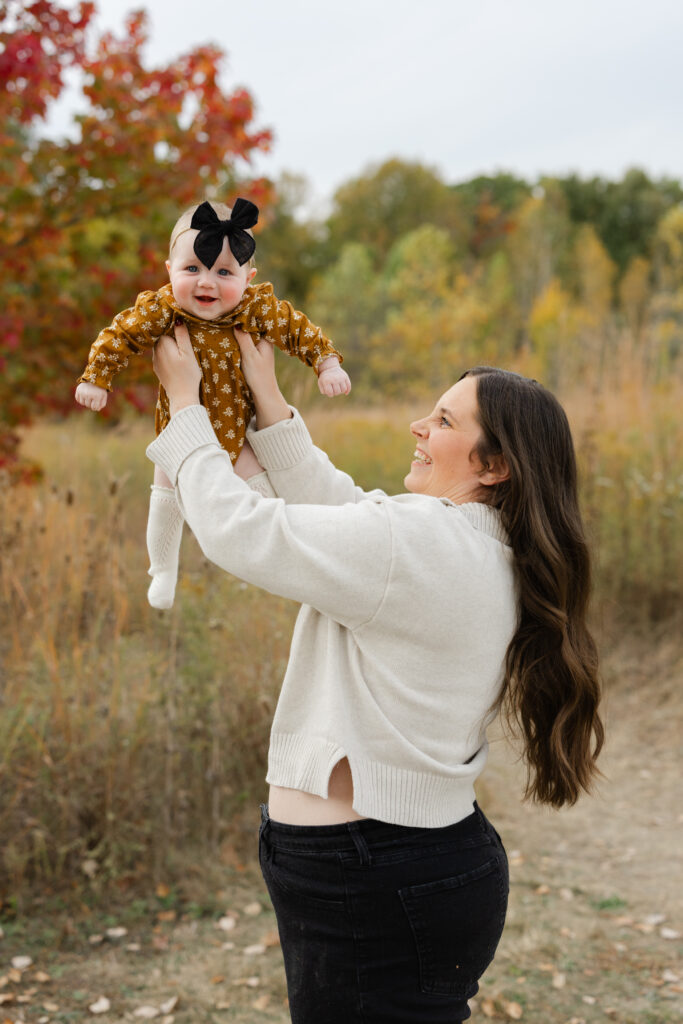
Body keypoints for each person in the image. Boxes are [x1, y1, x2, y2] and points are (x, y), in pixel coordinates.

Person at [146, 323, 604, 1024]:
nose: (418, 425)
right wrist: (267, 399)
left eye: (445, 420)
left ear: (494, 466)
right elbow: (349, 515)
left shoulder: (414, 545)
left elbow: (240, 531)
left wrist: (185, 409)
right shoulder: (483, 547)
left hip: (368, 874)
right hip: (419, 866)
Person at [74, 198, 350, 609]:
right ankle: (163, 569)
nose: (206, 282)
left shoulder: (256, 309)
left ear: (248, 277)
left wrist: (326, 364)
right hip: (178, 431)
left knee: (264, 498)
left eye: (224, 272)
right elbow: (121, 334)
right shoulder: (163, 310)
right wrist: (97, 376)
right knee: (165, 496)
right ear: (170, 272)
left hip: (239, 430)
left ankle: (281, 561)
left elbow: (298, 329)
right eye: (193, 269)